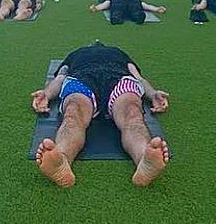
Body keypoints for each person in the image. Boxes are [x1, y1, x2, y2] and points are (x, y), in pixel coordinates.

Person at [31, 42, 170, 188]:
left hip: (119, 79)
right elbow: (59, 78)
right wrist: (46, 94)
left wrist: (153, 94)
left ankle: (144, 160)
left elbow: (139, 78)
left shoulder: (117, 52)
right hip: (82, 78)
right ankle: (62, 160)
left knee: (132, 113)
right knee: (73, 112)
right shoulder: (76, 54)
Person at [90, 0, 166, 24]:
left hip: (119, 1)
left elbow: (107, 3)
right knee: (136, 10)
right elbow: (144, 5)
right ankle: (138, 16)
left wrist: (96, 8)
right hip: (133, 1)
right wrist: (157, 9)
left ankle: (116, 16)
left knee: (117, 11)